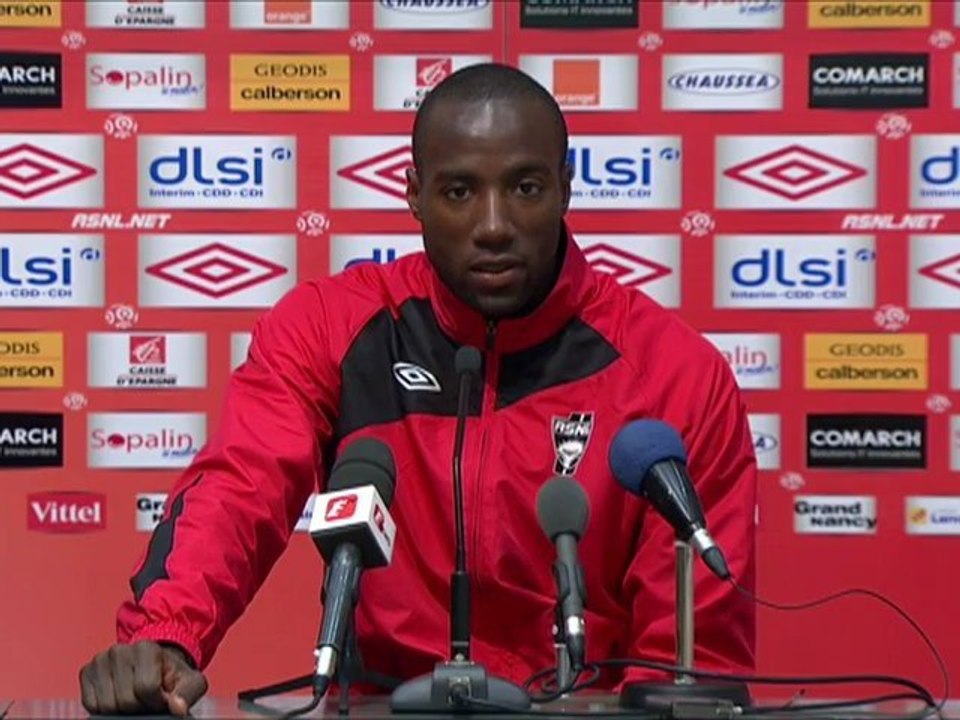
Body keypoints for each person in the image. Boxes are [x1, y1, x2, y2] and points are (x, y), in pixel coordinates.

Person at [79, 63, 757, 716]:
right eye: (459, 192)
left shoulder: (674, 373)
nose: (494, 225)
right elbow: (240, 487)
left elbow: (688, 660)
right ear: (413, 194)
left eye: (525, 187)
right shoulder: (333, 328)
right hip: (385, 708)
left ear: (566, 186)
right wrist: (164, 636)